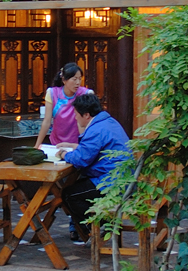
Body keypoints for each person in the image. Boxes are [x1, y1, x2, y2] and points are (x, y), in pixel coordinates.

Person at [56, 93, 132, 243]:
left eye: (76, 114)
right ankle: (94, 227)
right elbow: (95, 149)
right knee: (76, 190)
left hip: (112, 183)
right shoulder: (108, 122)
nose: (75, 118)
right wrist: (76, 147)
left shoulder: (95, 129)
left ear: (86, 115)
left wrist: (64, 154)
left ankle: (96, 227)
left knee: (69, 195)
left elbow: (80, 160)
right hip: (122, 179)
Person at [34, 62, 93, 148]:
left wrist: (84, 146)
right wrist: (37, 145)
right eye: (74, 79)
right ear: (64, 80)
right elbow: (47, 121)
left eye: (80, 79)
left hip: (77, 144)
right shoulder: (52, 93)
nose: (78, 82)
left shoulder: (86, 94)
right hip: (56, 143)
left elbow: (84, 123)